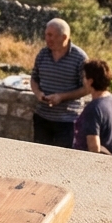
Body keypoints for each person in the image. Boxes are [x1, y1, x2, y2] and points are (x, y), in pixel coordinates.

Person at [29, 18, 88, 148]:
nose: (47, 39)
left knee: (62, 161)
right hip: (42, 116)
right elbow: (34, 78)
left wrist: (62, 97)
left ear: (64, 37)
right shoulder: (43, 54)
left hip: (68, 120)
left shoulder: (80, 58)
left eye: (51, 35)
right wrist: (38, 93)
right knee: (39, 157)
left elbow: (87, 88)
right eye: (46, 34)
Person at [74, 59, 112, 155]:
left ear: (90, 81)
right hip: (110, 160)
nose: (83, 80)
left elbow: (94, 147)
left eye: (84, 77)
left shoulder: (93, 109)